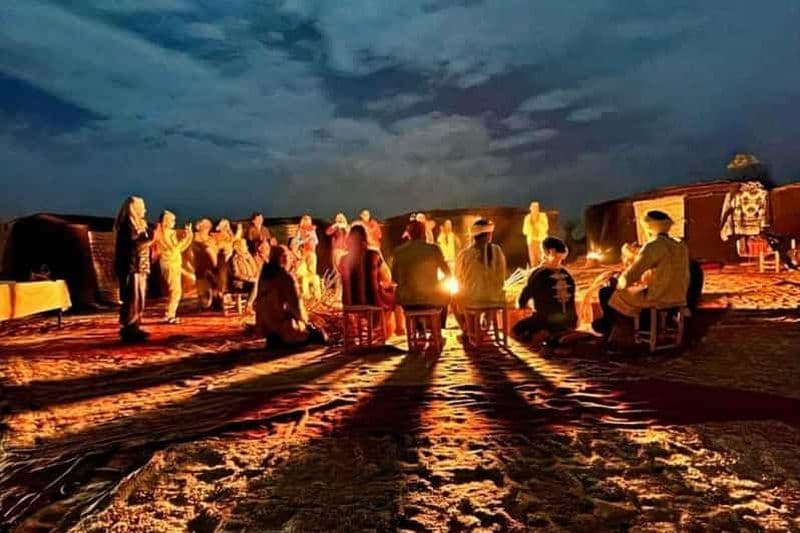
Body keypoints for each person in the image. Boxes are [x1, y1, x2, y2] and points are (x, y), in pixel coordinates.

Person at [596, 210, 690, 337]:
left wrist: (617, 282)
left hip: (658, 298)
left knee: (606, 292)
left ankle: (611, 328)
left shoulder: (653, 245)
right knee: (632, 292)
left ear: (648, 226)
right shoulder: (681, 245)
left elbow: (631, 275)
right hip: (679, 296)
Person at [254, 245, 328, 348]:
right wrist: (308, 321)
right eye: (287, 257)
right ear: (282, 258)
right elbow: (296, 306)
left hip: (266, 328)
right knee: (320, 335)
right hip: (283, 327)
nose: (290, 260)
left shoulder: (264, 275)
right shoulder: (285, 277)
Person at [339, 225, 403, 336]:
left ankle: (377, 328)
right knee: (395, 295)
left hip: (349, 302)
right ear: (365, 238)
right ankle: (395, 330)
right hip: (372, 300)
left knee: (381, 295)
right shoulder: (374, 255)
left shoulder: (343, 259)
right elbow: (386, 276)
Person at [512, 237, 578, 344]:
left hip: (546, 321)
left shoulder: (538, 274)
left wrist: (521, 305)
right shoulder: (568, 275)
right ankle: (560, 334)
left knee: (516, 330)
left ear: (548, 252)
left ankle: (546, 334)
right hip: (571, 322)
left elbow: (523, 298)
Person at [391, 220, 451, 327]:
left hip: (407, 301)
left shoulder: (398, 252)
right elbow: (447, 273)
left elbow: (394, 278)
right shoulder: (434, 249)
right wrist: (438, 282)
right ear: (424, 233)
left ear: (408, 234)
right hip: (431, 298)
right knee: (446, 293)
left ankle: (418, 328)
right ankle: (438, 328)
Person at [452, 219, 507, 336]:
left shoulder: (464, 254)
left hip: (472, 299)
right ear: (489, 235)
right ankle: (485, 326)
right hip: (495, 298)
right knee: (492, 293)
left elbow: (457, 278)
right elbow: (501, 276)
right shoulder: (497, 250)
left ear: (474, 236)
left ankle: (468, 328)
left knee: (455, 298)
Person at [113, 196, 153, 343]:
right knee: (132, 299)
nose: (145, 209)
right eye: (142, 206)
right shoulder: (127, 225)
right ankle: (129, 330)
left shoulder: (138, 224)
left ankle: (135, 327)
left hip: (140, 266)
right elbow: (135, 246)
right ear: (134, 208)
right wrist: (152, 238)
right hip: (131, 267)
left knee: (139, 299)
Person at [154, 210, 193, 323]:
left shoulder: (170, 232)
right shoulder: (163, 233)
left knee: (176, 291)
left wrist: (189, 235)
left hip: (174, 262)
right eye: (172, 220)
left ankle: (170, 314)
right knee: (175, 291)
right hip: (169, 263)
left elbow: (180, 249)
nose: (174, 222)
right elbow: (174, 248)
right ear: (165, 221)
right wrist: (187, 237)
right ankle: (169, 315)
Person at [294, 215, 321, 300]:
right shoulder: (300, 230)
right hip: (304, 253)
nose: (308, 222)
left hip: (312, 253)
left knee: (313, 272)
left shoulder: (312, 230)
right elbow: (296, 242)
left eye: (309, 221)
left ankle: (314, 293)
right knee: (305, 273)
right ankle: (306, 294)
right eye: (306, 220)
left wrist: (312, 236)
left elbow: (316, 241)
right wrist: (305, 239)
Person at [231, 238, 261, 311]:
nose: (247, 247)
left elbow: (256, 269)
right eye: (244, 245)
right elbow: (236, 274)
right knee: (256, 283)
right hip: (240, 283)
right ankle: (248, 305)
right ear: (239, 247)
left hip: (251, 281)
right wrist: (250, 279)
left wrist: (257, 276)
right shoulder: (235, 259)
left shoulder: (248, 256)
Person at [522, 201, 549, 268]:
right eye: (533, 207)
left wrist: (536, 223)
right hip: (531, 242)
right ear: (530, 208)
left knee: (542, 259)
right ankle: (534, 274)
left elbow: (545, 228)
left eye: (536, 207)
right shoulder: (527, 218)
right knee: (533, 260)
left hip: (540, 241)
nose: (535, 209)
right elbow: (524, 231)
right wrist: (530, 225)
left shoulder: (543, 216)